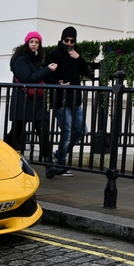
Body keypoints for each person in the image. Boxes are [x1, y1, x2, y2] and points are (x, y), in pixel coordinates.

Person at [7, 31, 63, 178]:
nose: (34, 44)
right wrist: (47, 69)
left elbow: (40, 79)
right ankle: (0, 155)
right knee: (16, 133)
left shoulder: (35, 60)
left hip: (36, 103)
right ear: (27, 43)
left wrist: (57, 82)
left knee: (44, 133)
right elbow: (29, 78)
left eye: (37, 42)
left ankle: (49, 166)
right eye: (31, 41)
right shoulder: (20, 60)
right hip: (23, 102)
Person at [45, 26, 91, 177]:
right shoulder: (54, 55)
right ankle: (60, 163)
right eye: (67, 40)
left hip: (75, 100)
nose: (69, 43)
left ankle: (58, 154)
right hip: (61, 100)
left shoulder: (76, 55)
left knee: (82, 131)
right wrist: (58, 83)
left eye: (72, 40)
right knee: (67, 132)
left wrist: (78, 58)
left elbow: (87, 73)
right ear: (62, 39)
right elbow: (45, 76)